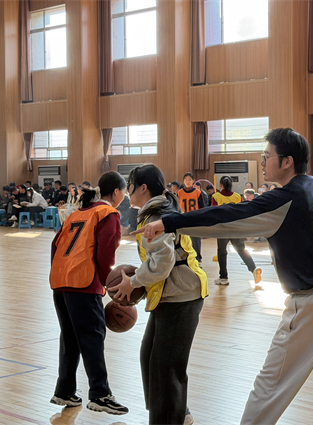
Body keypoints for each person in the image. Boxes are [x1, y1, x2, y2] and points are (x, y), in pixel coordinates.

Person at [133, 128, 313, 425]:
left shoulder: (285, 198)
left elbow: (228, 217)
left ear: (287, 162)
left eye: (266, 156)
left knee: (269, 388)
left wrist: (171, 222)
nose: (262, 162)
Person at [113, 164, 207, 425]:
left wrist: (133, 282)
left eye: (130, 186)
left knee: (167, 368)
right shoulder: (156, 210)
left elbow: (163, 264)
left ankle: (170, 417)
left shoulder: (157, 215)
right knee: (150, 358)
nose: (128, 191)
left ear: (143, 188)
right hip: (170, 295)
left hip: (182, 296)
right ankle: (176, 413)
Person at [49, 171, 129, 415]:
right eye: (124, 191)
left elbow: (55, 245)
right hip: (83, 283)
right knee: (93, 338)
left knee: (70, 338)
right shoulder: (108, 214)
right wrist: (110, 285)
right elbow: (105, 255)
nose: (124, 196)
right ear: (116, 192)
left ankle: (64, 390)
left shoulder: (77, 213)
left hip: (60, 281)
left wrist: (61, 274)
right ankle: (100, 394)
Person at [211, 175, 262, 286]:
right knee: (241, 250)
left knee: (222, 253)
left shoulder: (215, 196)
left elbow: (213, 213)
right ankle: (253, 269)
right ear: (232, 185)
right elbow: (243, 212)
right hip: (236, 228)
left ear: (220, 185)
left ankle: (223, 277)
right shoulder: (238, 197)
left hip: (222, 229)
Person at [177, 172, 204, 263]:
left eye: (189, 180)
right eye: (186, 180)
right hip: (183, 218)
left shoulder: (198, 192)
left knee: (195, 239)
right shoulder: (180, 193)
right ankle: (185, 257)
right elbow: (177, 206)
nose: (187, 181)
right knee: (184, 239)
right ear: (183, 181)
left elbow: (202, 207)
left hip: (195, 218)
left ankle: (198, 258)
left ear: (193, 181)